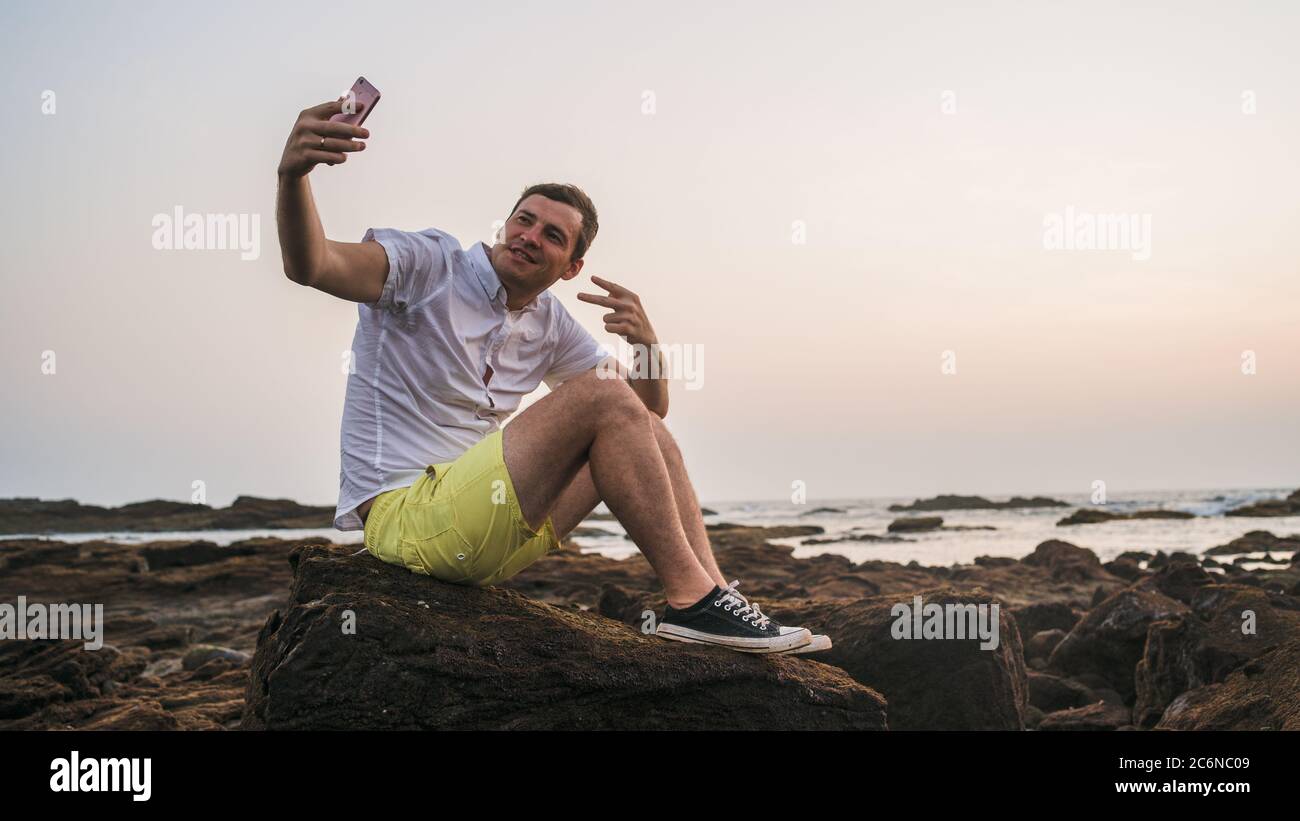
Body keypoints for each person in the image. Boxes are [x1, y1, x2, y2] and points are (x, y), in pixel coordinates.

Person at [275, 96, 829, 655]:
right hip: (407, 520)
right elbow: (312, 264)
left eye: (553, 235)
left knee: (648, 430)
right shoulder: (429, 265)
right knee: (605, 398)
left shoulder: (548, 321)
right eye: (524, 220)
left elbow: (647, 413)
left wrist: (647, 346)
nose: (529, 236)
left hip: (490, 536)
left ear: (571, 268)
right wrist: (293, 176)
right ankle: (692, 601)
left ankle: (715, 598)